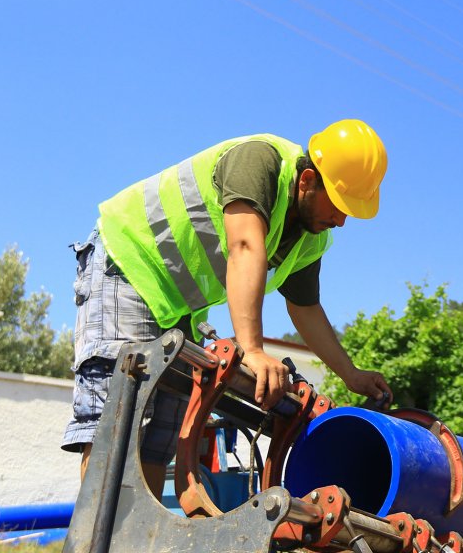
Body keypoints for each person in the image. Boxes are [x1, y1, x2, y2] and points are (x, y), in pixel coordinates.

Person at [61, 119, 394, 494]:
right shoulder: (260, 161)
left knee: (161, 435)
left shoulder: (310, 236)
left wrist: (351, 375)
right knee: (120, 419)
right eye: (338, 205)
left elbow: (306, 309)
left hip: (178, 307)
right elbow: (245, 245)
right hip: (127, 263)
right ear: (307, 182)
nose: (342, 220)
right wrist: (252, 351)